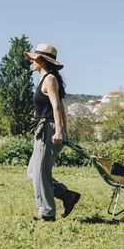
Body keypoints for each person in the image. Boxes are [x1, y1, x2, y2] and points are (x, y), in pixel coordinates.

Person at [24, 43, 81, 222]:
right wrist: (64, 130)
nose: (31, 61)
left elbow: (57, 106)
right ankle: (66, 195)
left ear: (42, 61)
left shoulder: (49, 79)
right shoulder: (45, 79)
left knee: (41, 173)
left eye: (34, 59)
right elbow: (60, 106)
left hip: (49, 130)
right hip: (44, 129)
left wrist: (59, 131)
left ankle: (47, 215)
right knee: (33, 172)